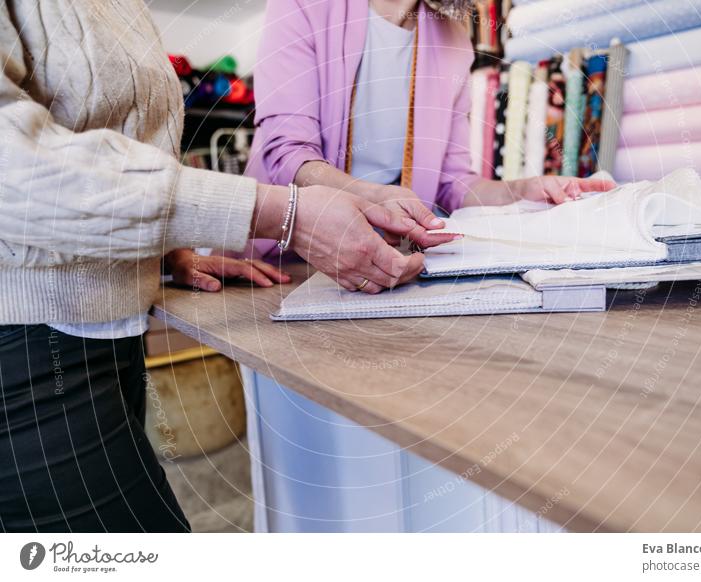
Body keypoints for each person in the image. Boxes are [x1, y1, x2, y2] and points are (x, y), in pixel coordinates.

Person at [0, 0, 443, 532]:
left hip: (104, 331)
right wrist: (281, 215)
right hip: (24, 345)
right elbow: (13, 172)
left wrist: (163, 246)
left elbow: (86, 135)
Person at [243, 0, 616, 279]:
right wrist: (372, 197)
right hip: (279, 261)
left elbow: (453, 185)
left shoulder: (453, 40)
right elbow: (289, 154)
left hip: (380, 264)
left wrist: (521, 192)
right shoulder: (303, 6)